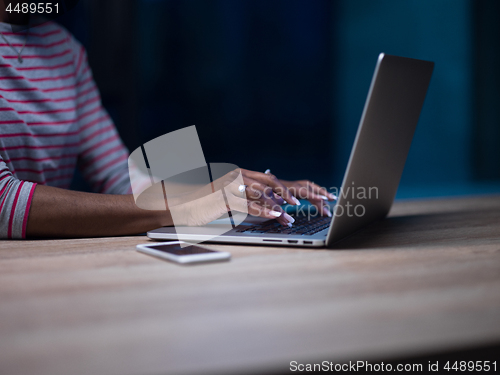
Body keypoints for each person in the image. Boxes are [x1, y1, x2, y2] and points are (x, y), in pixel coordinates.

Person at [0, 6, 334, 239]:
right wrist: (185, 206)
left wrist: (246, 190)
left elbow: (120, 177)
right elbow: (4, 202)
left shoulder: (64, 49)